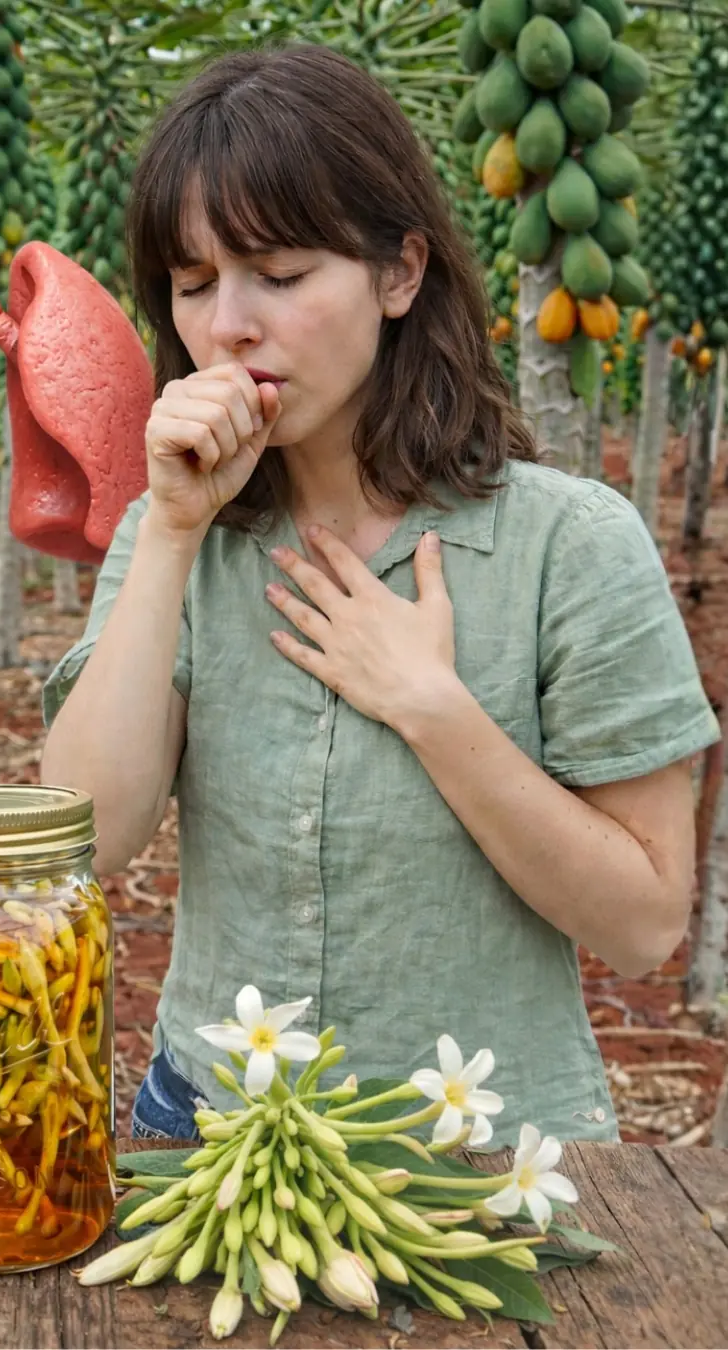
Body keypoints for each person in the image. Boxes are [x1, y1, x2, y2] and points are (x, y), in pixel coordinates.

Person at [40, 42, 721, 1149]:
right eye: (195, 283)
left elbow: (645, 924)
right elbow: (87, 842)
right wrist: (169, 530)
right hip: (211, 1133)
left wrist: (434, 711)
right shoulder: (177, 538)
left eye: (281, 273)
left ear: (400, 273)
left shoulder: (571, 544)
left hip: (484, 1159)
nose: (228, 327)